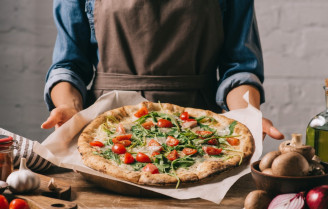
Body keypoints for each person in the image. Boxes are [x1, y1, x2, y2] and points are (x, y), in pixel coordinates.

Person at [41, 0, 284, 140]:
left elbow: (239, 68)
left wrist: (248, 115)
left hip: (200, 135)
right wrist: (70, 108)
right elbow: (69, 65)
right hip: (106, 132)